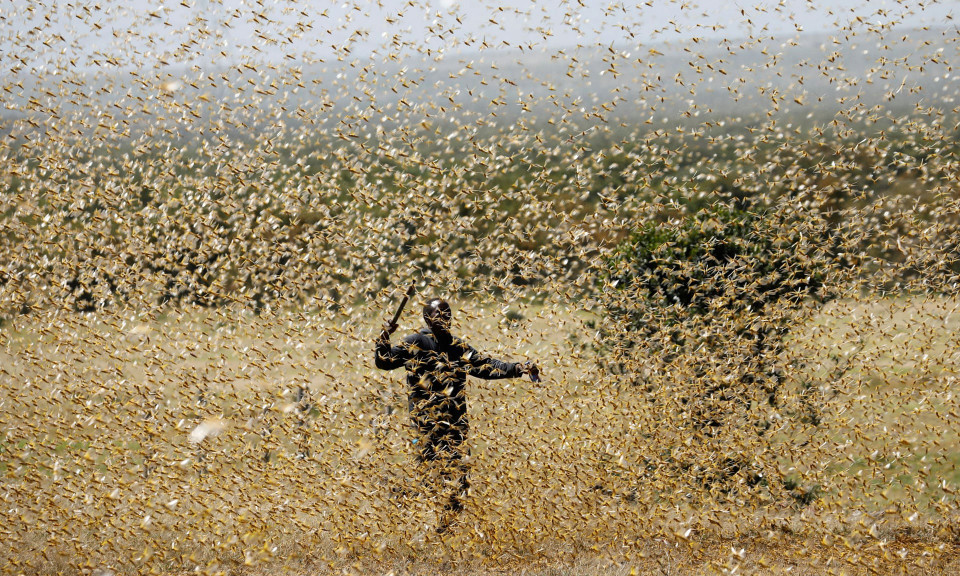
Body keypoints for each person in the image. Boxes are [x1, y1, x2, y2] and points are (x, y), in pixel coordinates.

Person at [374, 297, 539, 531]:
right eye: (438, 315)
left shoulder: (457, 347)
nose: (443, 319)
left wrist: (517, 368)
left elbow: (486, 366)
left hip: (456, 426)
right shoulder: (415, 343)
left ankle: (443, 531)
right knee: (432, 481)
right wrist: (384, 336)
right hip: (427, 427)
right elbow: (384, 362)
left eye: (446, 314)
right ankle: (415, 519)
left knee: (460, 484)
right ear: (427, 319)